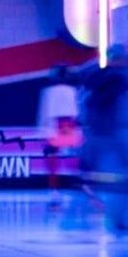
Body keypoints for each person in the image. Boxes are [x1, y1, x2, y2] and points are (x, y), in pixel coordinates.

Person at [80, 45, 128, 232]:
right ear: (119, 59)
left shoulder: (94, 75)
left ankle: (90, 195)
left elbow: (85, 99)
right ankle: (119, 219)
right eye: (124, 57)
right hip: (111, 132)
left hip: (94, 132)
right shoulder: (120, 78)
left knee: (90, 171)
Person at [36, 65, 84, 209]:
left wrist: (42, 131)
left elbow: (44, 113)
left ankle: (55, 190)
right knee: (72, 159)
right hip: (66, 127)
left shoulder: (50, 92)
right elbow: (77, 112)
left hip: (57, 128)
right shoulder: (71, 91)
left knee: (53, 162)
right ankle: (76, 185)